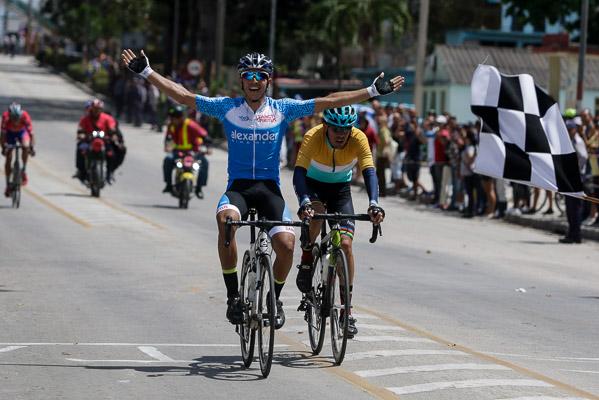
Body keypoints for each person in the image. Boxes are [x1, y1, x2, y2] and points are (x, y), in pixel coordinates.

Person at [122, 49, 404, 328]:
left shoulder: (283, 109)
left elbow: (328, 101)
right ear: (241, 80)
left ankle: (275, 300)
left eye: (261, 76)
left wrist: (371, 91)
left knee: (287, 244)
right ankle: (233, 297)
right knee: (226, 222)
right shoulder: (227, 107)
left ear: (269, 80)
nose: (254, 81)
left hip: (269, 188)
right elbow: (183, 96)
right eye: (248, 76)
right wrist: (147, 72)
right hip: (239, 188)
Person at [293, 106, 385, 337]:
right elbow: (298, 172)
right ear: (326, 126)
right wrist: (304, 201)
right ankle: (306, 258)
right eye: (335, 128)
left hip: (341, 190)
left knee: (345, 244)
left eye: (346, 128)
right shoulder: (313, 136)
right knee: (317, 213)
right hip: (313, 185)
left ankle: (347, 311)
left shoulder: (358, 138)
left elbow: (369, 171)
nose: (341, 133)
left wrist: (374, 203)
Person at [162, 105, 211, 198]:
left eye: (176, 118)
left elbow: (204, 135)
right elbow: (168, 139)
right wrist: (167, 147)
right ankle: (168, 185)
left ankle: (199, 188)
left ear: (181, 117)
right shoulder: (171, 126)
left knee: (205, 163)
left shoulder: (190, 124)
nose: (174, 120)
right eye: (172, 118)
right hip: (178, 153)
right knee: (168, 159)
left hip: (194, 153)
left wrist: (208, 147)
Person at [75, 99, 120, 184]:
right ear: (91, 109)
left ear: (101, 109)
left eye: (98, 109)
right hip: (89, 142)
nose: (96, 111)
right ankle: (82, 173)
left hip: (103, 142)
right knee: (81, 149)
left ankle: (110, 173)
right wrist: (80, 135)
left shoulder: (107, 118)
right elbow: (80, 129)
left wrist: (113, 135)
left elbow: (112, 128)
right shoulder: (85, 118)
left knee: (111, 153)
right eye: (94, 109)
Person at [560, 120, 588, 243]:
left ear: (575, 129)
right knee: (570, 207)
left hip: (576, 177)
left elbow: (583, 157)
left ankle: (576, 234)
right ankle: (572, 233)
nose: (568, 131)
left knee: (574, 207)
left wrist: (575, 170)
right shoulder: (570, 140)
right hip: (571, 177)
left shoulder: (577, 141)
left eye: (570, 129)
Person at [1, 103, 35, 197]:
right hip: (10, 134)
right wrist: (4, 148)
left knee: (25, 146)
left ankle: (23, 170)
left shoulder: (25, 116)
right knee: (9, 156)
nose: (16, 121)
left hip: (22, 133)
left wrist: (31, 148)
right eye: (14, 118)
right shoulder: (5, 117)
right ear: (10, 116)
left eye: (17, 118)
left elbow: (31, 134)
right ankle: (8, 184)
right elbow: (3, 135)